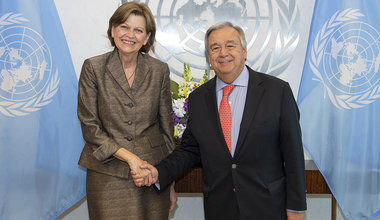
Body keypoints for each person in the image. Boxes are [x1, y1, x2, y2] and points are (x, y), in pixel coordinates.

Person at [132, 21, 307, 220]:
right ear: (209, 57)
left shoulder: (277, 91)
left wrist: (296, 209)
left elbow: (293, 155)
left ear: (244, 51)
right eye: (215, 48)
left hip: (268, 207)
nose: (223, 52)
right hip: (220, 208)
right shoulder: (198, 99)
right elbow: (190, 149)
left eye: (230, 45)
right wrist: (158, 172)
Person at [77, 2, 177, 219]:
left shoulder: (159, 70)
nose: (130, 35)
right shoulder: (93, 67)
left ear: (147, 37)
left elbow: (166, 130)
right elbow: (90, 127)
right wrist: (130, 158)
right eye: (124, 27)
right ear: (113, 31)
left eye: (138, 30)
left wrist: (169, 180)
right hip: (107, 173)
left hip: (151, 174)